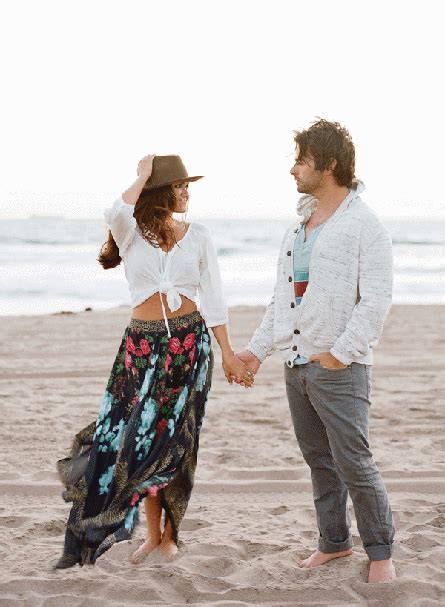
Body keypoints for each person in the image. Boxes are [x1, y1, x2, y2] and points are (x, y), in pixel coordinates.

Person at [54, 154, 254, 569]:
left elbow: (213, 298)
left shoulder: (198, 235)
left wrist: (228, 352)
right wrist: (141, 175)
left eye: (187, 186)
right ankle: (149, 534)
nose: (186, 193)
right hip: (141, 350)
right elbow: (116, 210)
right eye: (179, 185)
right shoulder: (130, 233)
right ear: (159, 191)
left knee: (177, 443)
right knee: (138, 440)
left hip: (189, 346)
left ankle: (168, 536)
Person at [236, 120, 396, 583]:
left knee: (355, 461)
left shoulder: (364, 224)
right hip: (296, 365)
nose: (292, 169)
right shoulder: (298, 227)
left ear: (327, 164)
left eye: (301, 160)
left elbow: (376, 299)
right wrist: (256, 351)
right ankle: (334, 543)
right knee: (319, 462)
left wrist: (342, 353)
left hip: (338, 367)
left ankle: (381, 552)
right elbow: (282, 301)